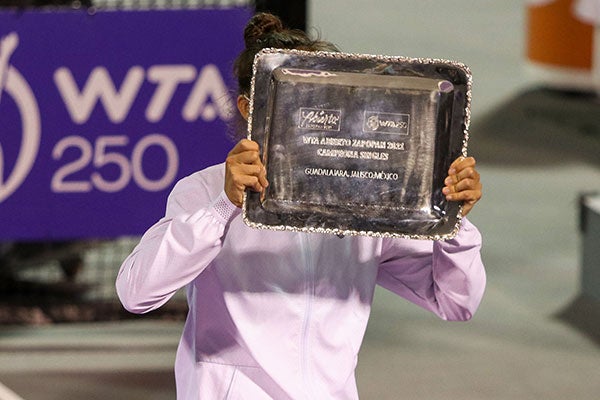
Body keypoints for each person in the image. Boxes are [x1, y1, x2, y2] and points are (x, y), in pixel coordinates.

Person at [116, 12, 485, 399]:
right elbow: (136, 292)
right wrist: (222, 208)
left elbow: (456, 302)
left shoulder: (364, 199)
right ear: (248, 106)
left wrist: (451, 221)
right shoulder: (204, 191)